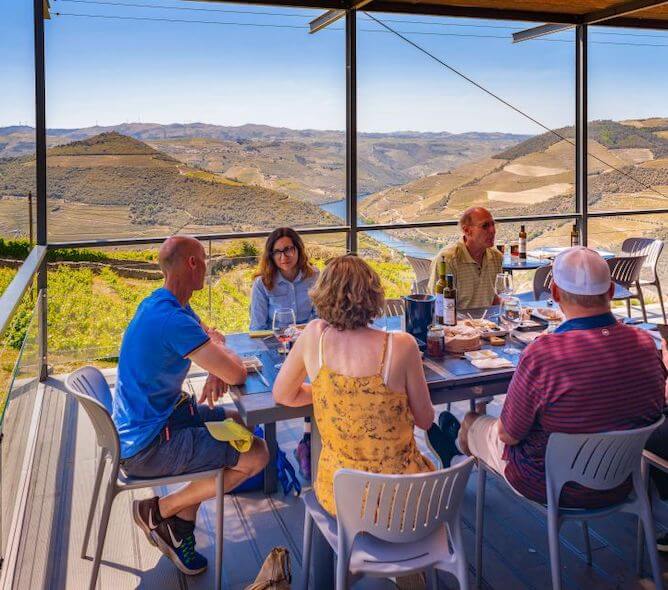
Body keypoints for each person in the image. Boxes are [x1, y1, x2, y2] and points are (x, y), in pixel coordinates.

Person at [436, 247, 665, 508]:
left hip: (547, 481)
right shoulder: (645, 344)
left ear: (555, 293)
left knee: (472, 422)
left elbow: (508, 435)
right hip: (620, 481)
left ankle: (455, 455)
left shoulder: (544, 353)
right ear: (611, 291)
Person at [114, 235, 269, 576]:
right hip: (149, 445)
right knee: (257, 453)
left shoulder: (166, 305)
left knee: (239, 422)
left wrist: (215, 364)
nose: (208, 268)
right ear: (193, 264)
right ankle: (159, 510)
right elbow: (237, 370)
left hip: (155, 422)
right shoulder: (174, 319)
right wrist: (220, 367)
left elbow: (212, 337)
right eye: (204, 260)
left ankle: (178, 530)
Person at [272, 254, 435, 515]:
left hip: (341, 496)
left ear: (322, 294)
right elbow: (425, 420)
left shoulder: (314, 335)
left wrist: (334, 395)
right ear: (373, 294)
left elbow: (283, 394)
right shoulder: (402, 345)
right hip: (403, 501)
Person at [249, 227, 319, 480]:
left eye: (288, 249)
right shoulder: (262, 284)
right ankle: (270, 451)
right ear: (271, 256)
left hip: (309, 348)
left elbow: (319, 320)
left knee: (318, 387)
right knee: (274, 395)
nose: (283, 256)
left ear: (298, 250)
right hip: (275, 351)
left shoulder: (315, 278)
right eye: (277, 252)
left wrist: (301, 338)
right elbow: (257, 329)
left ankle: (308, 442)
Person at [427, 207, 502, 310]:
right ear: (467, 231)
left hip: (487, 323)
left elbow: (494, 297)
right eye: (485, 226)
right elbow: (439, 307)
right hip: (456, 323)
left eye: (493, 224)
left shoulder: (496, 257)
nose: (493, 231)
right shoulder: (448, 259)